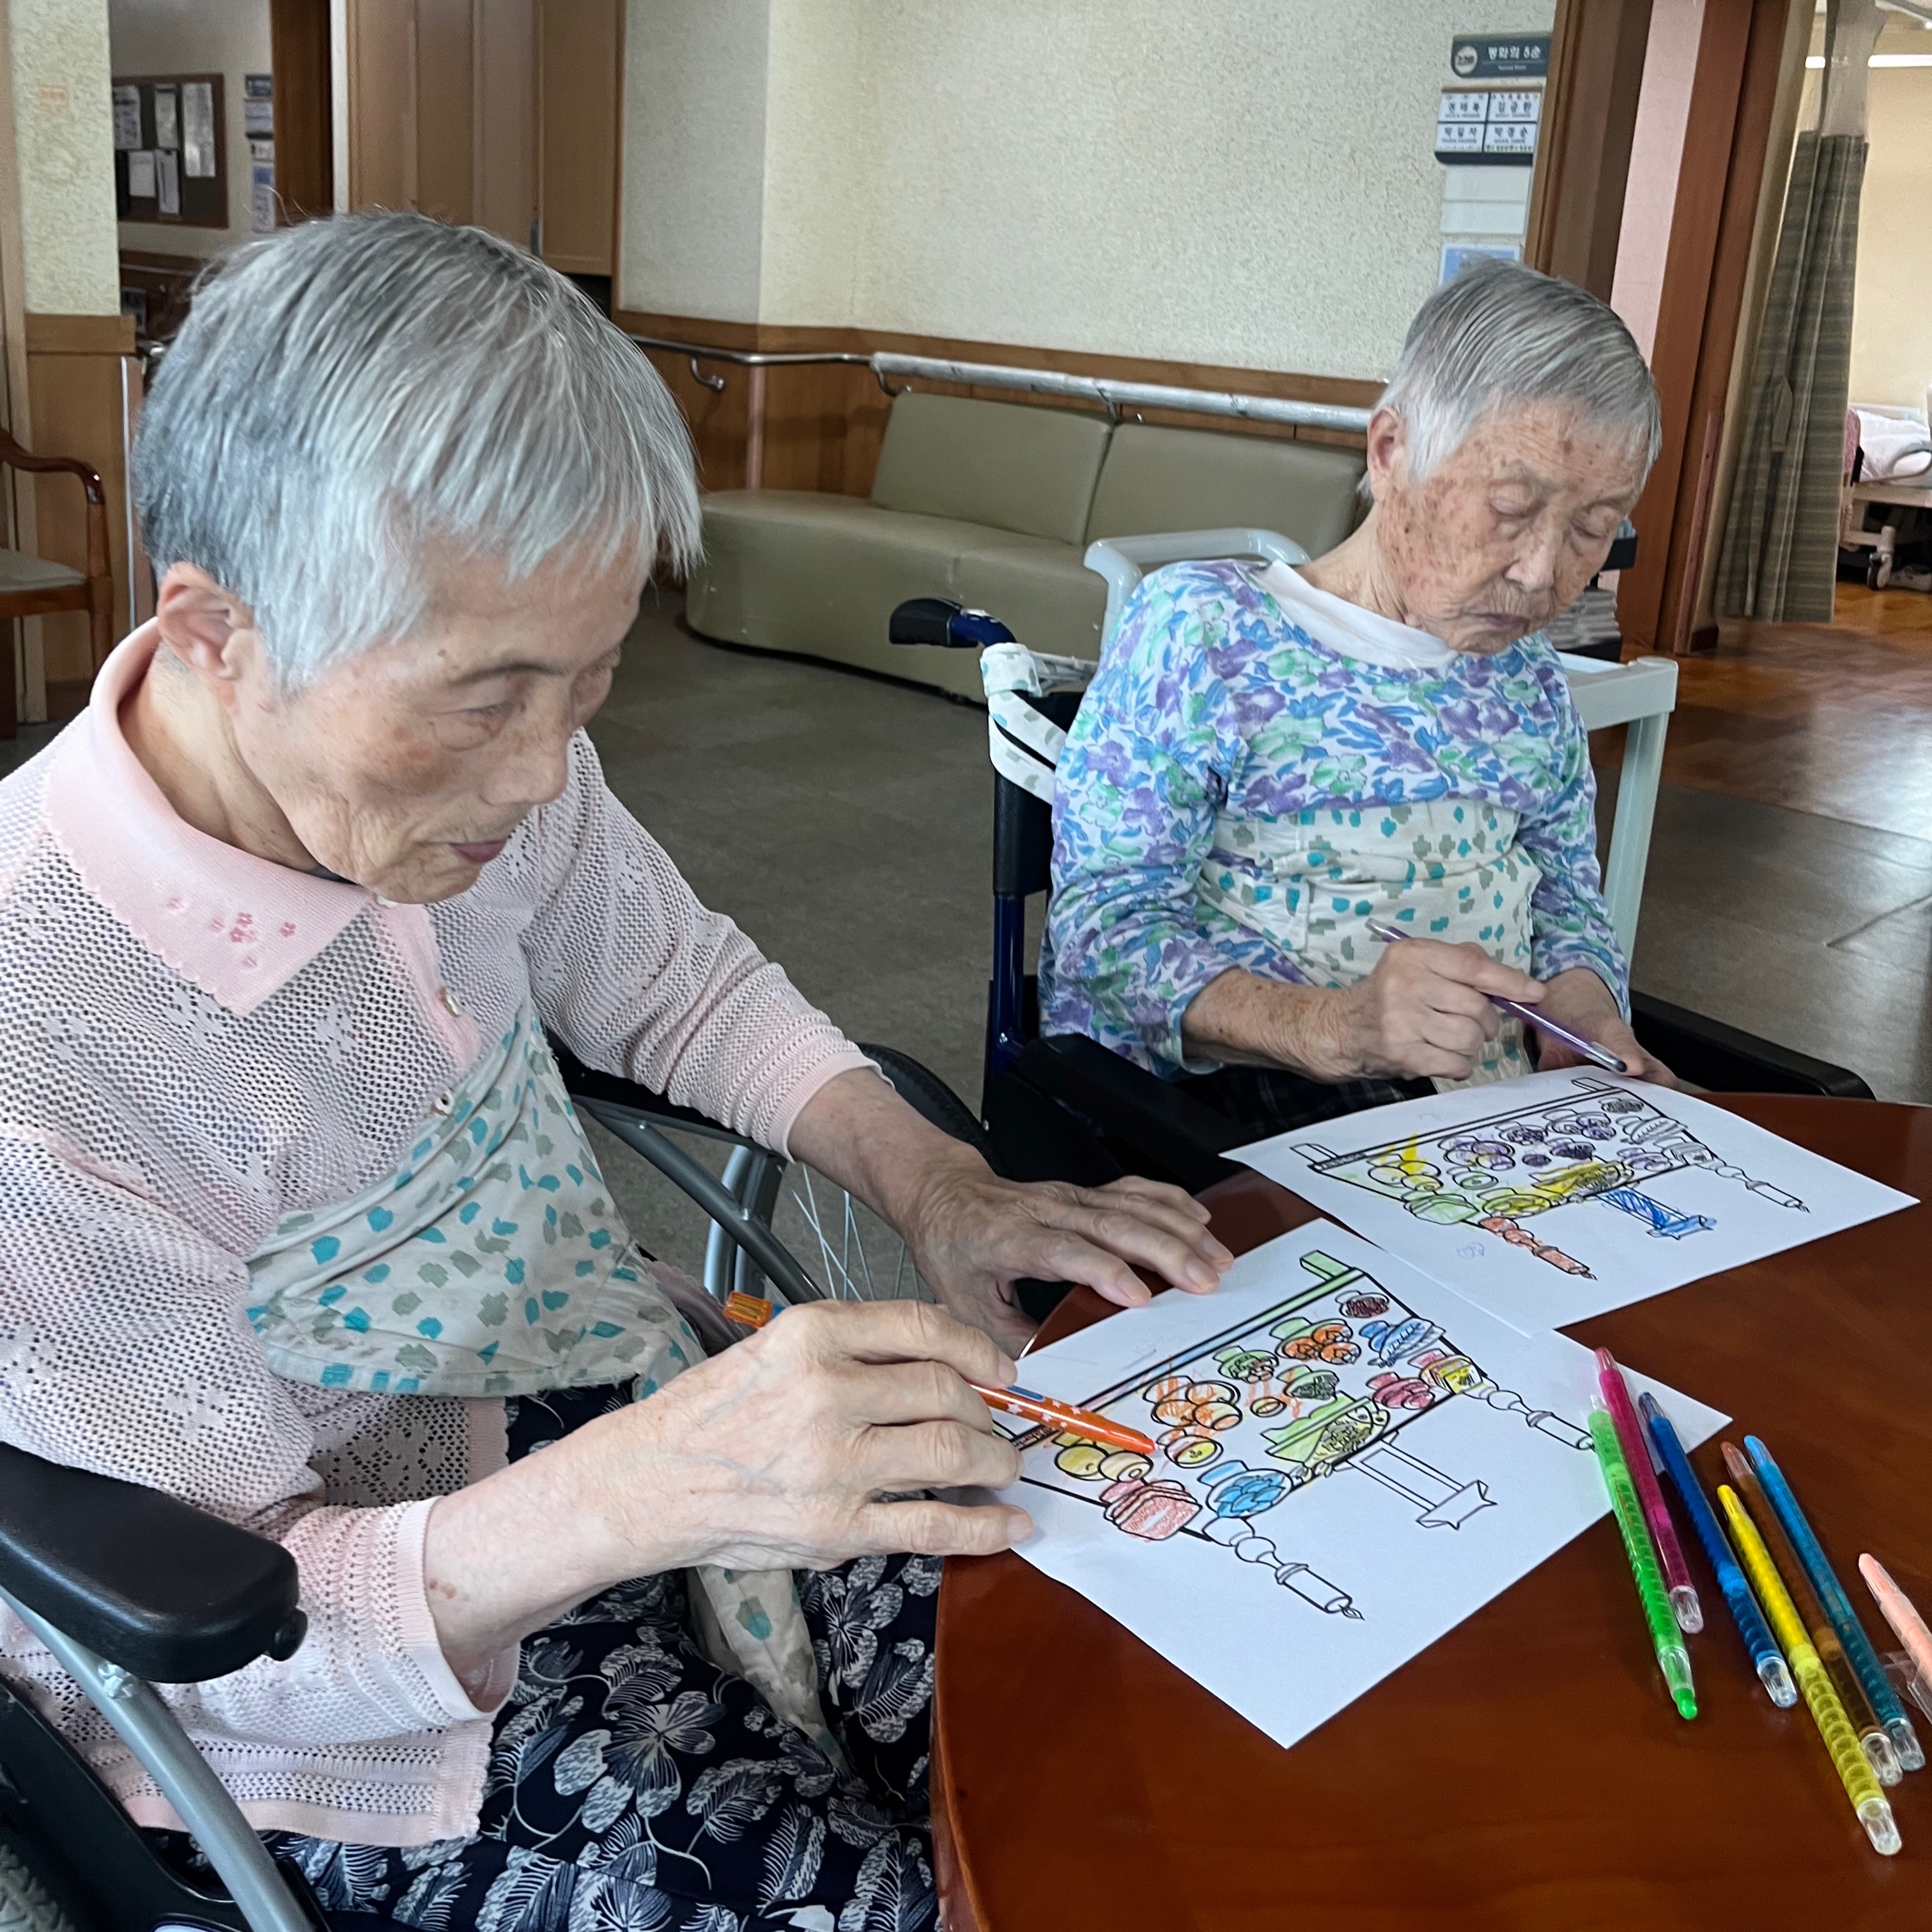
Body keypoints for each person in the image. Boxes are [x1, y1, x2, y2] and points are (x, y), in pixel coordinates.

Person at [0, 213, 1229, 1932]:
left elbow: (677, 983)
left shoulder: (490, 776)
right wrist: (650, 1488)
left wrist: (937, 1183)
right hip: (330, 1676)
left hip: (575, 1374)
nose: (540, 777)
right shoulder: (40, 1033)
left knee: (1089, 1667)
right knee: (902, 1898)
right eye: (485, 698)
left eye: (588, 687)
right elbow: (235, 1636)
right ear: (214, 628)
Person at [1041, 259, 1671, 1138]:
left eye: (1593, 529)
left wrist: (1586, 1014)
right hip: (1269, 1119)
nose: (1540, 574)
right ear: (1390, 452)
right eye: (1507, 508)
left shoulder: (1527, 678)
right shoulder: (1206, 631)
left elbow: (1568, 901)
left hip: (1498, 1125)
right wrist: (1338, 1027)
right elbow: (1100, 933)